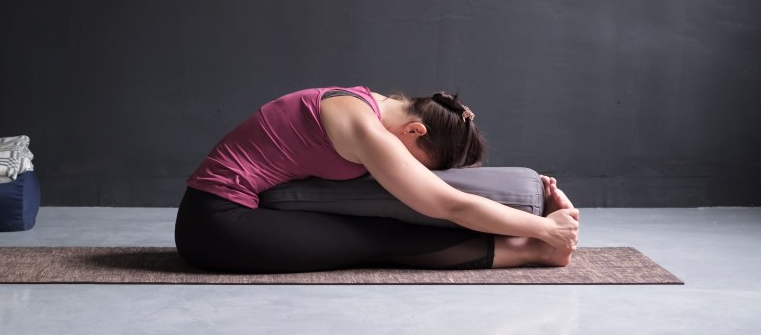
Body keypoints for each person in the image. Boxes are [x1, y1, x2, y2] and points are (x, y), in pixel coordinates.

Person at [175, 86, 579, 273]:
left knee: (380, 227)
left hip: (232, 214)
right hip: (215, 226)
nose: (415, 170)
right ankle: (535, 252)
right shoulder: (363, 127)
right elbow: (447, 203)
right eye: (423, 164)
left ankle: (531, 247)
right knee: (380, 237)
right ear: (416, 131)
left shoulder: (363, 101)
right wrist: (546, 229)